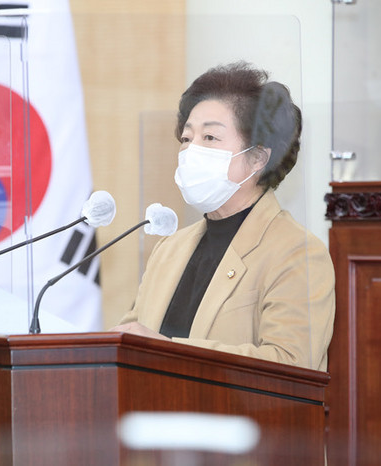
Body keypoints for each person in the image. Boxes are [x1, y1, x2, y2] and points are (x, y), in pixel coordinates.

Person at [112, 61, 335, 372]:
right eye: (186, 139)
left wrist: (166, 350)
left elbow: (292, 363)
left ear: (257, 158)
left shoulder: (298, 253)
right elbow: (125, 345)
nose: (190, 151)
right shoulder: (169, 249)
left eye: (209, 138)